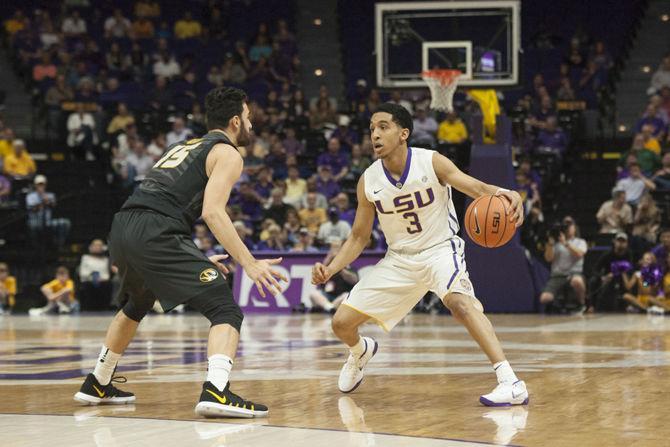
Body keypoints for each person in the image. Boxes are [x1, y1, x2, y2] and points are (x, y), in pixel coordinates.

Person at [73, 87, 284, 418]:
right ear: (234, 121)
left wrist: (190, 256)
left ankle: (98, 381)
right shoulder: (228, 153)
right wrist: (250, 263)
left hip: (125, 224)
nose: (251, 125)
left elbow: (163, 202)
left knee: (137, 304)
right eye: (247, 118)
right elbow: (213, 213)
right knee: (225, 310)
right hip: (157, 233)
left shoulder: (183, 146)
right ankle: (217, 390)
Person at [311, 103, 528, 406]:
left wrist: (507, 193)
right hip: (399, 259)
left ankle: (511, 382)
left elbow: (476, 188)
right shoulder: (368, 181)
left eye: (383, 127)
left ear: (404, 133)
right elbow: (358, 237)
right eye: (372, 128)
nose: (375, 134)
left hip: (440, 249)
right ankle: (360, 351)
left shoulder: (431, 162)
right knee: (341, 324)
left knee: (459, 304)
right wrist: (331, 269)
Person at [540, 217, 588, 312]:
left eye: (570, 225)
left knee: (577, 281)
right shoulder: (555, 243)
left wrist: (565, 243)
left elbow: (579, 254)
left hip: (574, 274)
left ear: (575, 227)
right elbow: (548, 259)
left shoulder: (580, 242)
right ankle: (558, 306)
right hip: (558, 276)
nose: (568, 227)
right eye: (565, 225)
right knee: (544, 298)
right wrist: (550, 243)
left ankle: (582, 304)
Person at [309, 240, 358, 313]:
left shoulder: (350, 268)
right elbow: (320, 277)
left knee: (346, 296)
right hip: (327, 296)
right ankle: (331, 308)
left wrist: (340, 267)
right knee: (314, 294)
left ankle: (329, 307)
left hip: (341, 296)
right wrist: (329, 257)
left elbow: (354, 280)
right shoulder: (327, 267)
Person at [590, 233, 633, 312]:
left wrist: (625, 274)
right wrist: (602, 277)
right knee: (593, 280)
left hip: (623, 277)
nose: (621, 244)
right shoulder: (607, 254)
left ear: (627, 244)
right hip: (609, 277)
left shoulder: (629, 254)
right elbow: (595, 269)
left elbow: (631, 268)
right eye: (619, 241)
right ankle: (592, 305)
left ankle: (629, 304)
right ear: (614, 242)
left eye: (623, 242)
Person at [78, 239, 112, 310]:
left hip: (102, 282)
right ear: (91, 247)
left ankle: (104, 308)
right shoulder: (85, 258)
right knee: (88, 286)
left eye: (100, 245)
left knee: (108, 285)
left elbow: (107, 275)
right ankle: (87, 308)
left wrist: (101, 279)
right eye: (95, 245)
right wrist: (92, 275)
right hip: (88, 281)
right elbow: (82, 273)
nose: (97, 247)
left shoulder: (105, 260)